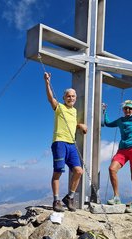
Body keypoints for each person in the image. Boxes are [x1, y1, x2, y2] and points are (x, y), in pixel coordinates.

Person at [44, 72, 87, 212]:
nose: (71, 98)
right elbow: (50, 98)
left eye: (73, 96)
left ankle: (69, 197)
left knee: (79, 171)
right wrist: (47, 82)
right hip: (59, 142)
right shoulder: (59, 108)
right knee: (58, 172)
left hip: (71, 144)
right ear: (64, 97)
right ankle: (56, 201)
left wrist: (80, 125)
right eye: (68, 96)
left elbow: (70, 123)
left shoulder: (74, 111)